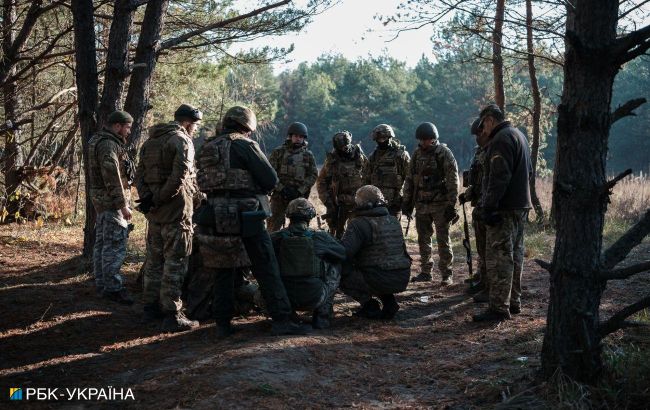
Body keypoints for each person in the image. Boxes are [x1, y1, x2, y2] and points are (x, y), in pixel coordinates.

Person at [195, 105, 307, 337]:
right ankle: (281, 319)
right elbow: (269, 179)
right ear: (246, 125)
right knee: (265, 264)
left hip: (215, 212)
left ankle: (223, 324)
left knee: (223, 268)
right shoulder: (244, 145)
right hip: (246, 213)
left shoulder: (207, 147)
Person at [134, 104, 202, 332]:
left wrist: (148, 198)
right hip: (176, 212)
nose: (194, 130)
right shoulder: (181, 141)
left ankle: (149, 308)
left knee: (154, 261)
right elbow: (181, 176)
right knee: (176, 262)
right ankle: (172, 314)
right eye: (194, 125)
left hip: (154, 213)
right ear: (188, 123)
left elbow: (139, 174)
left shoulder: (150, 142)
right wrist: (160, 198)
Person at [472, 104, 532, 322]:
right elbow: (529, 172)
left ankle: (498, 308)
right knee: (515, 255)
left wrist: (489, 206)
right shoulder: (519, 136)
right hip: (520, 206)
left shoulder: (500, 139)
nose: (483, 131)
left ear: (489, 120)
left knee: (499, 258)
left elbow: (499, 178)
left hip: (504, 208)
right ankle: (514, 301)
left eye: (482, 125)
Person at [271, 198, 346, 329]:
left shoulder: (275, 238)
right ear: (310, 216)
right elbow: (342, 254)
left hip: (283, 298)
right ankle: (322, 315)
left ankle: (287, 316)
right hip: (316, 297)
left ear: (288, 215)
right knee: (336, 266)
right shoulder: (320, 237)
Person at [340, 185, 411, 320]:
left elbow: (345, 253)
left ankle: (369, 305)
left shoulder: (358, 223)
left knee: (340, 268)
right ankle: (389, 302)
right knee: (377, 265)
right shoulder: (394, 220)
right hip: (402, 276)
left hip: (379, 277)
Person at [402, 122, 459, 286]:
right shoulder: (417, 154)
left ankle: (447, 274)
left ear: (434, 139)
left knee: (443, 240)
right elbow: (410, 179)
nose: (424, 143)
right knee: (423, 239)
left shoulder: (444, 153)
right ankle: (426, 271)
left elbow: (452, 180)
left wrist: (451, 204)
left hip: (440, 204)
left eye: (427, 140)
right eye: (422, 140)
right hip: (421, 204)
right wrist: (407, 202)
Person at [88, 110, 135, 305]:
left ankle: (102, 283)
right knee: (114, 246)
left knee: (102, 243)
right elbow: (112, 176)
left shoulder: (98, 140)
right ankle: (112, 288)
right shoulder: (108, 144)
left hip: (103, 201)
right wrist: (122, 205)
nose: (129, 131)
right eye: (127, 127)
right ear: (117, 126)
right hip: (111, 202)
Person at [267, 122, 318, 232]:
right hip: (279, 196)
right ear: (290, 136)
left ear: (304, 138)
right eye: (295, 136)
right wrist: (281, 189)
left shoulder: (308, 155)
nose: (298, 139)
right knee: (273, 227)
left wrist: (300, 190)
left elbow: (313, 175)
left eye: (301, 137)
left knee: (300, 229)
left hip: (299, 197)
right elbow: (270, 173)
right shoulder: (278, 152)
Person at [316, 131, 368, 238]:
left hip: (358, 201)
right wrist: (327, 201)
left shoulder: (359, 157)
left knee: (356, 232)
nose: (345, 148)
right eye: (342, 146)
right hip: (338, 202)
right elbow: (321, 182)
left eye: (347, 144)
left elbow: (369, 175)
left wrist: (368, 198)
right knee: (336, 233)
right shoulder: (332, 161)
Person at [459, 118, 489, 295]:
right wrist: (467, 195)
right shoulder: (479, 152)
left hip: (489, 205)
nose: (477, 138)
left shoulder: (492, 150)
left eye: (479, 134)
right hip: (479, 204)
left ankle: (487, 284)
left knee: (489, 250)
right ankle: (482, 277)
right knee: (481, 248)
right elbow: (477, 181)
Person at [364, 124, 410, 217]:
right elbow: (366, 179)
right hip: (375, 202)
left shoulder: (400, 155)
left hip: (394, 202)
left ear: (390, 137)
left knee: (392, 229)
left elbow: (409, 177)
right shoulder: (373, 156)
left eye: (384, 138)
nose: (382, 141)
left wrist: (406, 200)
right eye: (379, 139)